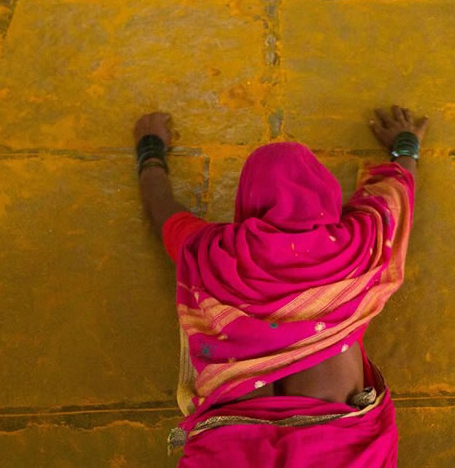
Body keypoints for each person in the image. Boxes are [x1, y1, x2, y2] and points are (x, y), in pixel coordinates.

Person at [134, 105, 429, 467]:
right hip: (340, 435)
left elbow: (161, 208)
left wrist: (150, 149)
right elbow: (395, 196)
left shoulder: (210, 251)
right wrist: (405, 144)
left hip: (227, 443)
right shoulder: (359, 246)